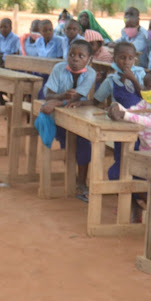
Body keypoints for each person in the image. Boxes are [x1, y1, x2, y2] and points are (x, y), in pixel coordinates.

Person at [108, 69, 151, 220]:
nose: (144, 90)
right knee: (116, 174)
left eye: (148, 87)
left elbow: (149, 122)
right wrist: (117, 108)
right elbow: (134, 110)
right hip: (146, 153)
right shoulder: (147, 102)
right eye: (144, 86)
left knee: (129, 177)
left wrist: (125, 115)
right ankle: (137, 207)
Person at [39, 40, 97, 200]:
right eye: (71, 54)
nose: (75, 59)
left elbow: (77, 96)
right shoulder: (59, 68)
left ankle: (81, 181)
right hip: (58, 115)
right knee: (67, 142)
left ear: (89, 59)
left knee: (84, 142)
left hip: (77, 113)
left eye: (81, 56)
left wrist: (59, 101)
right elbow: (48, 94)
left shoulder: (90, 73)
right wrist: (60, 97)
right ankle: (72, 177)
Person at [93, 42, 146, 179]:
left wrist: (133, 80)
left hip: (139, 123)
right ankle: (124, 189)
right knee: (121, 154)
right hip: (120, 124)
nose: (126, 62)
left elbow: (146, 97)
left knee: (137, 154)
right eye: (122, 57)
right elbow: (96, 100)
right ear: (114, 58)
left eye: (130, 58)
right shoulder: (112, 79)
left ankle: (137, 190)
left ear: (135, 59)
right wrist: (77, 102)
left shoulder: (140, 74)